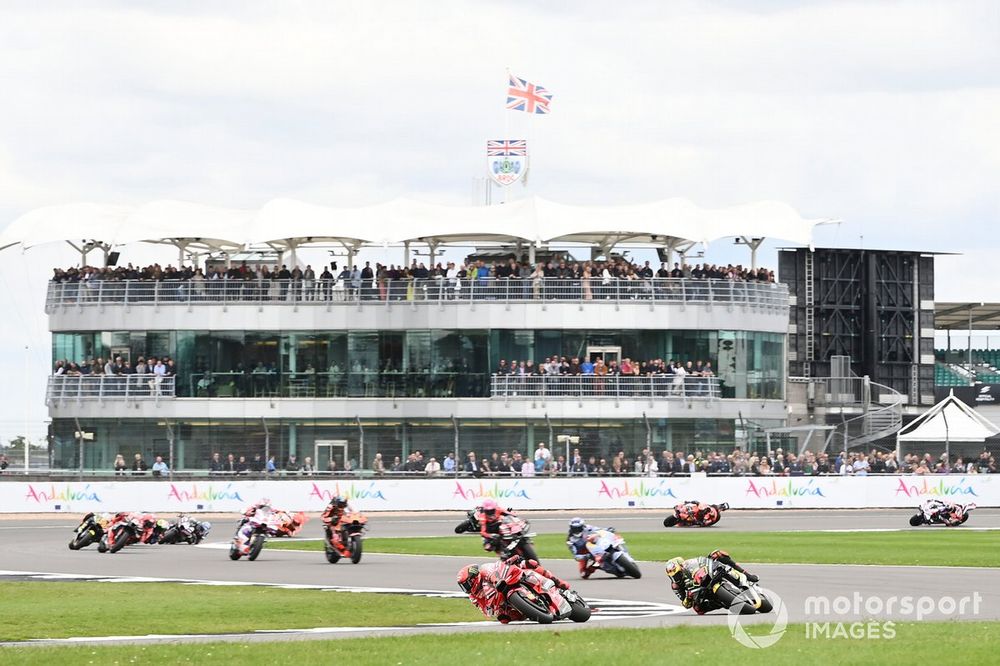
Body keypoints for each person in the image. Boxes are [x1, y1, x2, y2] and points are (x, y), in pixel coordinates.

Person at [457, 555, 570, 623]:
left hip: (508, 577)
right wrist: (495, 612)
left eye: (466, 584)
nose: (466, 588)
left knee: (529, 563)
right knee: (505, 619)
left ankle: (557, 582)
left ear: (473, 578)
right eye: (463, 586)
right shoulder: (473, 596)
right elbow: (485, 610)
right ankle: (534, 609)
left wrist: (497, 581)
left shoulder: (483, 570)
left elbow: (492, 574)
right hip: (502, 599)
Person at [665, 550, 758, 614]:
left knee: (719, 554)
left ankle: (747, 576)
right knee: (698, 609)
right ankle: (722, 602)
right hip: (700, 591)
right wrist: (688, 598)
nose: (675, 577)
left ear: (681, 568)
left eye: (676, 574)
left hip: (707, 576)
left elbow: (701, 561)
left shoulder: (689, 565)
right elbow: (686, 605)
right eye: (672, 576)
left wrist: (711, 558)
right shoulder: (675, 586)